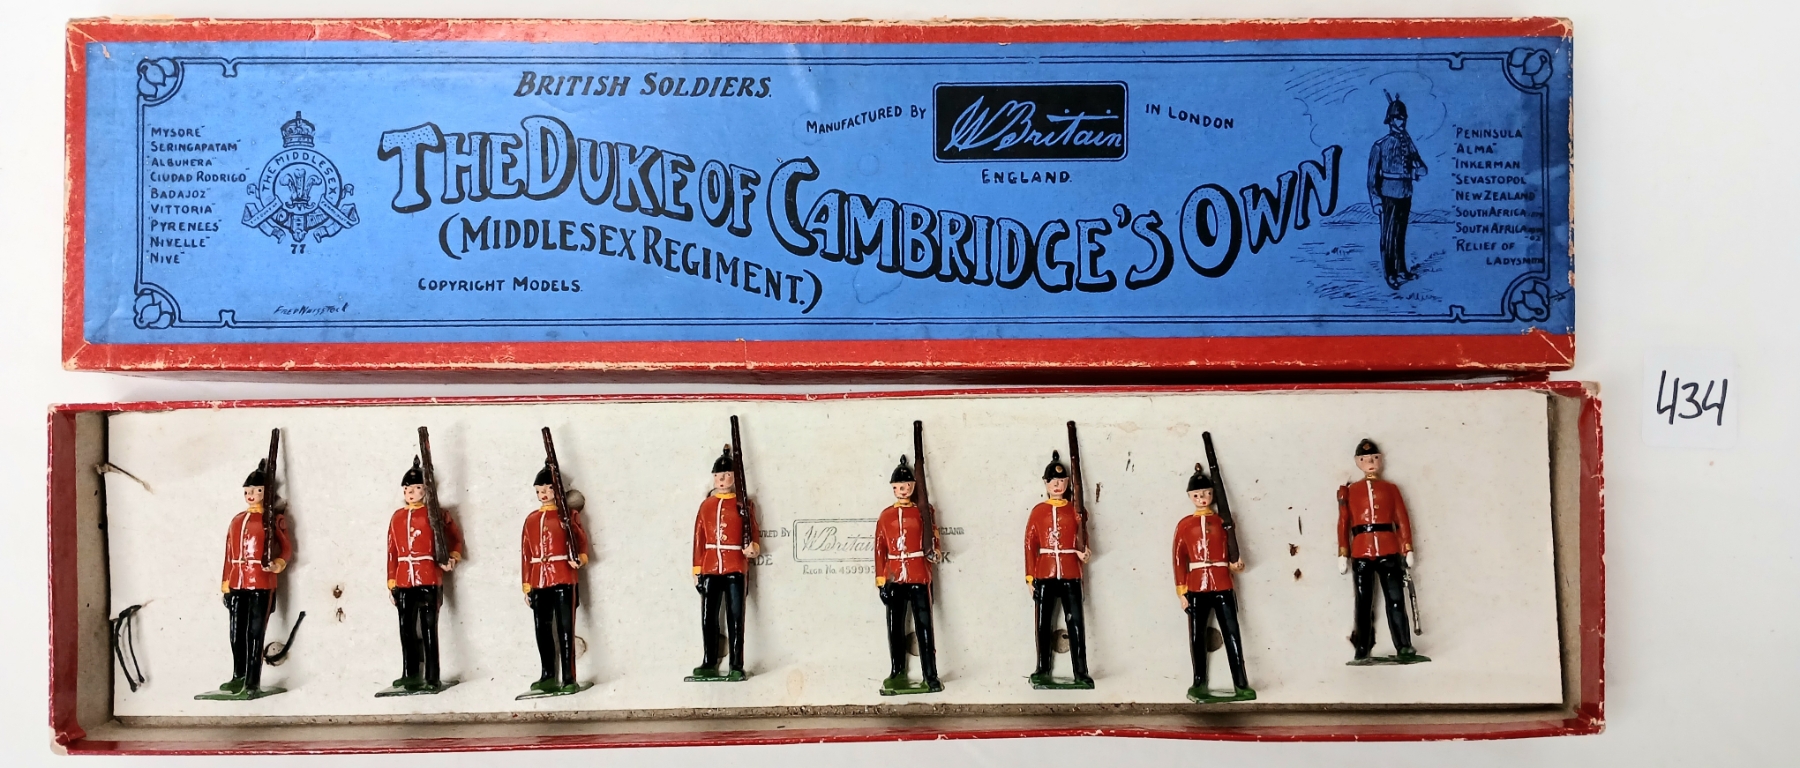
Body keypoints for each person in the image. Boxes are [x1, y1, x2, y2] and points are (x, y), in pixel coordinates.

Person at [1336, 438, 1429, 664]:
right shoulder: (1350, 491)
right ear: (1357, 462)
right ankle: (1362, 648)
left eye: (1374, 458)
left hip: (1388, 549)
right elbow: (1344, 522)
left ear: (1381, 460)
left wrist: (1407, 547)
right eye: (1365, 459)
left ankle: (1404, 645)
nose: (1370, 462)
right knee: (1363, 602)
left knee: (1395, 599)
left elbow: (1402, 518)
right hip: (1361, 550)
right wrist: (1343, 552)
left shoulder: (1390, 489)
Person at [1172, 464, 1254, 702]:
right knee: (1197, 636)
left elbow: (1231, 552)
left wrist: (1236, 564)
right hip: (1196, 586)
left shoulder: (1222, 522)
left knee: (1232, 634)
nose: (1202, 498)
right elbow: (1178, 559)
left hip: (1222, 584)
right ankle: (1199, 682)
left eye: (1206, 493)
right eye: (1197, 495)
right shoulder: (1184, 525)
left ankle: (1240, 682)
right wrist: (1181, 592)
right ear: (1190, 497)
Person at [215, 460, 292, 697]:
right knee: (236, 633)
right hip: (237, 582)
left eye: (257, 490)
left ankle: (252, 680)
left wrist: (278, 563)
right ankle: (238, 675)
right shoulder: (237, 520)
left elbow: (286, 549)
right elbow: (229, 554)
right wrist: (226, 585)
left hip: (261, 583)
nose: (251, 495)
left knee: (255, 633)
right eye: (248, 490)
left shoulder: (273, 520)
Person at [384, 458, 462, 693]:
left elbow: (454, 537)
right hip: (404, 579)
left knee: (429, 629)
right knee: (406, 629)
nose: (411, 492)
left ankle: (432, 676)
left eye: (417, 487)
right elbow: (392, 551)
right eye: (407, 488)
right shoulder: (397, 517)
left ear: (426, 490)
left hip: (428, 577)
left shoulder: (435, 514)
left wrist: (453, 556)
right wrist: (392, 581)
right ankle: (410, 673)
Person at [873, 455, 943, 694]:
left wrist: (935, 550)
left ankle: (930, 674)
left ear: (913, 486)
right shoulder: (886, 515)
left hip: (918, 575)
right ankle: (897, 671)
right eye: (897, 487)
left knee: (925, 626)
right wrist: (881, 580)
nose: (902, 490)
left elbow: (933, 535)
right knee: (895, 627)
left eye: (906, 486)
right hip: (894, 577)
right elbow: (879, 548)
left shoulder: (924, 511)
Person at [1023, 451, 1093, 688]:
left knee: (1076, 623)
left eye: (1062, 481)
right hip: (1045, 573)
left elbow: (1083, 538)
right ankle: (1042, 668)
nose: (1057, 485)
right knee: (1043, 623)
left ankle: (1080, 671)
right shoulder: (1038, 511)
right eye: (1053, 481)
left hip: (1071, 572)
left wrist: (1084, 552)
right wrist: (1030, 576)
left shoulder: (1075, 510)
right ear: (1045, 483)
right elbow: (1030, 544)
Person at [690, 445, 761, 681]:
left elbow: (753, 531)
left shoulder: (743, 505)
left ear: (734, 477)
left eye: (727, 475)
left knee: (735, 617)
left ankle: (736, 664)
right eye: (718, 475)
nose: (722, 480)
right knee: (708, 618)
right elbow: (699, 538)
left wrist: (753, 547)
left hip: (735, 567)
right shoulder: (706, 506)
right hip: (710, 567)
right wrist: (697, 568)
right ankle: (709, 661)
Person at [521, 463, 590, 694]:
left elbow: (581, 541)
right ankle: (548, 675)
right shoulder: (531, 519)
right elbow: (526, 554)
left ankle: (569, 677)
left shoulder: (569, 516)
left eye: (547, 489)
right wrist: (527, 585)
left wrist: (580, 558)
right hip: (539, 580)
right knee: (542, 630)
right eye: (539, 490)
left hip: (563, 577)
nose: (543, 494)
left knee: (565, 629)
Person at [1367, 92, 1429, 289]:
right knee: (1388, 236)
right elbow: (1372, 178)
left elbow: (1421, 166)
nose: (1401, 122)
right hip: (1388, 194)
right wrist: (1376, 201)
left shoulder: (1407, 143)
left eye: (1403, 118)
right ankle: (1390, 274)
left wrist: (1417, 169)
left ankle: (1402, 270)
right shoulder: (1380, 145)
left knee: (1400, 235)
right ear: (1390, 120)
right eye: (1397, 118)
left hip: (1405, 192)